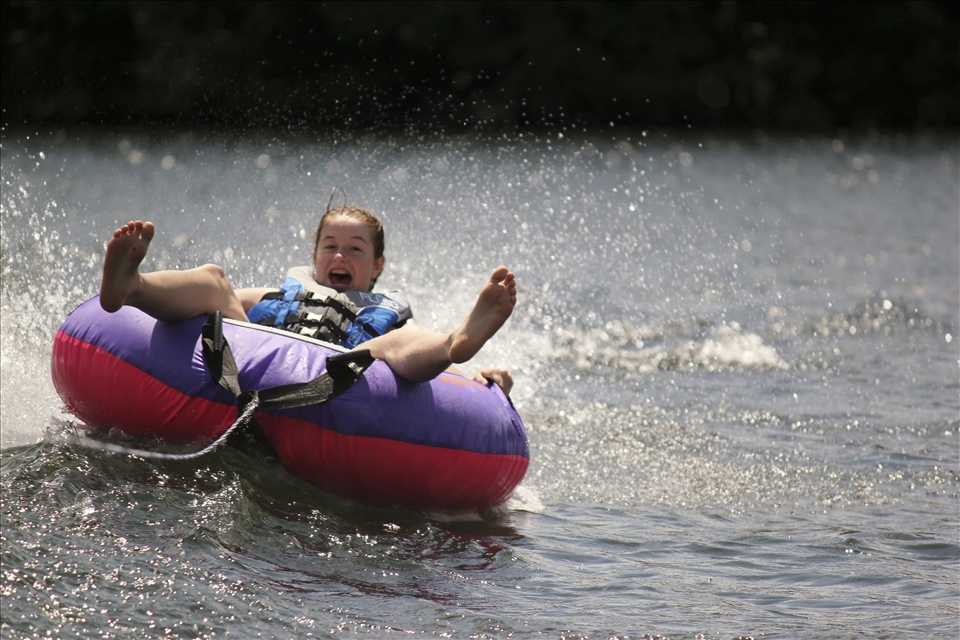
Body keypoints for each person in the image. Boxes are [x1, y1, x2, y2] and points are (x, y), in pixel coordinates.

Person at [98, 205, 516, 395]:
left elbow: (427, 369)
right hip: (252, 360)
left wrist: (477, 378)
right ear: (314, 257)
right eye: (329, 246)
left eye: (355, 250)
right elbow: (215, 302)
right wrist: (210, 296)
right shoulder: (280, 295)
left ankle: (458, 339)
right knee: (214, 279)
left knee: (391, 344)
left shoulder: (384, 313)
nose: (339, 256)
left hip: (346, 372)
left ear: (377, 267)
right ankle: (133, 287)